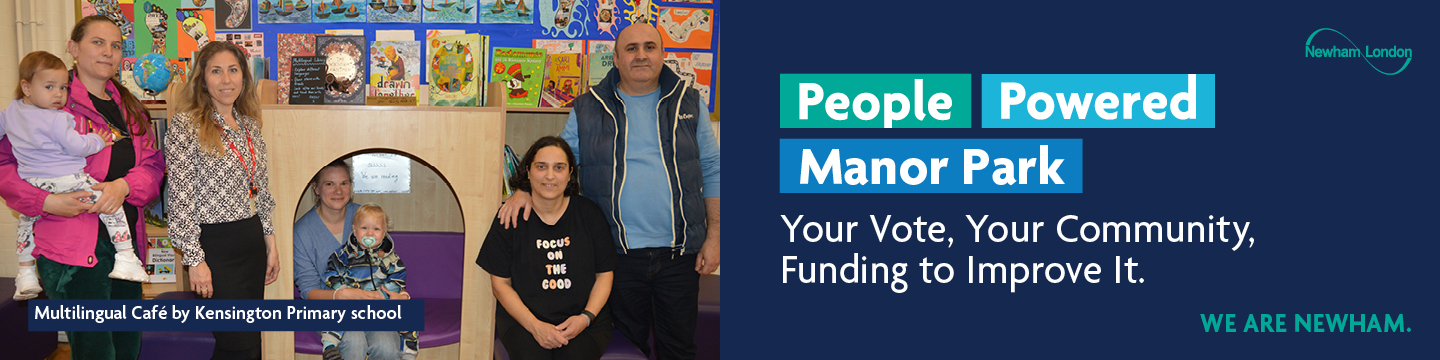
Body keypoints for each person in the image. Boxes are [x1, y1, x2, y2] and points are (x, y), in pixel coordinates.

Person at [500, 24, 721, 360]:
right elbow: (560, 161)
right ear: (616, 59)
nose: (641, 55)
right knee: (624, 350)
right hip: (614, 256)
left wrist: (715, 234)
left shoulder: (689, 103)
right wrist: (523, 190)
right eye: (631, 49)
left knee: (678, 349)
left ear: (663, 55)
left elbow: (713, 168)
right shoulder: (588, 107)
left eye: (650, 47)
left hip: (679, 254)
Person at [0, 15, 166, 360]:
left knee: (126, 346)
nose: (108, 52)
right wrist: (45, 201)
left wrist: (122, 186)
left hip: (124, 246)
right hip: (72, 248)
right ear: (73, 48)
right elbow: (4, 167)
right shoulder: (45, 101)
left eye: (116, 45)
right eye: (97, 42)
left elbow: (152, 165)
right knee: (95, 351)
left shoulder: (130, 106)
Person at [2, 51, 150, 300]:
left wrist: (125, 185)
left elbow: (150, 164)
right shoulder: (59, 118)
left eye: (62, 87)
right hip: (67, 185)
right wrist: (98, 140)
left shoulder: (11, 112)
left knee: (26, 223)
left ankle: (25, 273)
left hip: (34, 181)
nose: (58, 94)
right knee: (110, 205)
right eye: (50, 87)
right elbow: (77, 147)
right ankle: (126, 255)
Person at [165, 40, 278, 360]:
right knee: (236, 342)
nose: (226, 80)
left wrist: (270, 242)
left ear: (244, 77)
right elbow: (180, 199)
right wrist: (195, 261)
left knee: (250, 342)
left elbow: (261, 190)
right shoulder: (185, 125)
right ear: (202, 79)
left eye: (233, 70)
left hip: (251, 242)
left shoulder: (250, 125)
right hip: (214, 247)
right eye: (216, 71)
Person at [480, 136, 619, 360]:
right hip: (523, 323)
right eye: (541, 167)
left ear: (570, 173)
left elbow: (605, 275)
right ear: (528, 170)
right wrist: (535, 326)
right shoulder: (509, 218)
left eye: (559, 167)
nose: (550, 175)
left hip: (586, 324)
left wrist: (585, 317)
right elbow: (500, 285)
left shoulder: (589, 214)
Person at [320, 203, 418, 360]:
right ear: (354, 230)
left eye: (376, 229)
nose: (370, 234)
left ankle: (409, 345)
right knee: (336, 310)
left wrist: (383, 294)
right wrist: (344, 290)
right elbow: (331, 274)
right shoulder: (343, 255)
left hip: (378, 307)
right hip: (352, 303)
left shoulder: (389, 258)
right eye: (364, 228)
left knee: (407, 310)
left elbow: (398, 277)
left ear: (385, 232)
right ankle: (329, 345)